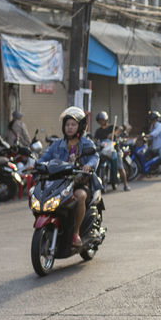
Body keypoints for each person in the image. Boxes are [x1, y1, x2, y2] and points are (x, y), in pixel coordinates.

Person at [37, 106, 99, 248]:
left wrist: (89, 165)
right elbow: (45, 157)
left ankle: (75, 233)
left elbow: (95, 156)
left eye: (73, 124)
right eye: (67, 124)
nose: (70, 128)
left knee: (80, 196)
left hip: (79, 182)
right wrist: (37, 165)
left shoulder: (86, 143)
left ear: (80, 126)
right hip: (59, 182)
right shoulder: (57, 144)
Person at [93, 110, 129, 192]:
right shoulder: (98, 131)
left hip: (114, 150)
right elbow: (95, 139)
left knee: (120, 166)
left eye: (102, 120)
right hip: (103, 151)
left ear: (105, 120)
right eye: (99, 120)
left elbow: (121, 128)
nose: (101, 122)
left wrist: (114, 133)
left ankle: (125, 185)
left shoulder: (112, 127)